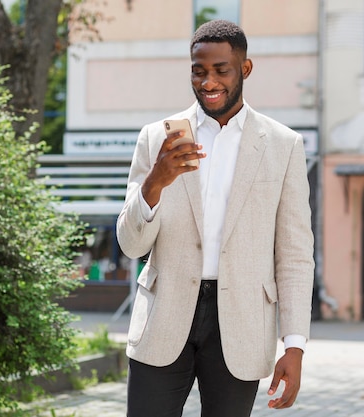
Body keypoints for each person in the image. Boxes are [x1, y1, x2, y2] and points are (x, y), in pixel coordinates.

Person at [116, 19, 314, 417]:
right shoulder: (157, 138)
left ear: (245, 69)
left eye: (220, 70)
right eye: (198, 70)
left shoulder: (283, 145)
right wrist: (155, 182)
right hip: (164, 316)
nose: (208, 82)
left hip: (241, 323)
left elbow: (294, 254)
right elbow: (131, 244)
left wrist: (294, 345)